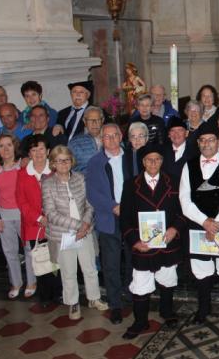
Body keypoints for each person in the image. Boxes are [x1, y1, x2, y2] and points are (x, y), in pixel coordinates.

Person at [180, 122, 219, 328]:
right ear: (198, 143)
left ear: (218, 142)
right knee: (201, 270)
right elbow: (184, 200)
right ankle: (203, 310)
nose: (207, 143)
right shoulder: (188, 166)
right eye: (203, 140)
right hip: (198, 226)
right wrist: (204, 222)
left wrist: (216, 223)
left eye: (211, 140)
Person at [120, 144, 185, 339]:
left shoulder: (174, 182)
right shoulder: (131, 185)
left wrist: (175, 228)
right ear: (143, 162)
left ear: (162, 161)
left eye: (157, 159)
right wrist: (134, 241)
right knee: (141, 283)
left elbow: (183, 211)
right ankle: (140, 321)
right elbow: (124, 218)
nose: (153, 163)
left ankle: (167, 311)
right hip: (143, 244)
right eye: (149, 160)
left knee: (167, 279)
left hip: (167, 242)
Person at [42, 145, 108, 320]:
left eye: (67, 160)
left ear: (72, 161)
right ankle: (72, 303)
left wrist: (85, 224)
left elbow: (90, 203)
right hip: (63, 235)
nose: (64, 164)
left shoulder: (80, 178)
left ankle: (94, 298)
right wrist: (78, 225)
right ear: (53, 163)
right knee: (68, 271)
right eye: (59, 161)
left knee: (90, 268)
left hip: (85, 231)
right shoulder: (47, 183)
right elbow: (50, 213)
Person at [86, 123, 131, 325]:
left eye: (114, 135)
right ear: (101, 139)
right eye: (106, 137)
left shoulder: (131, 156)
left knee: (133, 259)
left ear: (121, 136)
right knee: (111, 263)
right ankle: (115, 305)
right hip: (108, 216)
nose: (111, 140)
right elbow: (92, 192)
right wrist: (113, 206)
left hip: (132, 215)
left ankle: (133, 295)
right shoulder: (95, 162)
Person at [15, 135, 63, 306]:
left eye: (41, 149)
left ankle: (58, 293)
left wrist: (51, 216)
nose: (38, 153)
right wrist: (38, 217)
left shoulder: (56, 171)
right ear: (29, 153)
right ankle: (44, 295)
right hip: (33, 224)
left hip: (55, 223)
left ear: (48, 151)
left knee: (56, 260)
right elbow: (21, 201)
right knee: (40, 260)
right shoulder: (22, 174)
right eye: (34, 150)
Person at [0, 133, 34, 299]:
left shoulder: (24, 165)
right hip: (4, 215)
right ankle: (16, 282)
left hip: (23, 214)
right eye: (1, 146)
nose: (5, 149)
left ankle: (31, 282)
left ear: (15, 146)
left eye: (9, 145)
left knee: (29, 249)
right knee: (9, 251)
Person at [67, 106, 104, 173]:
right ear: (84, 121)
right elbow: (68, 167)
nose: (94, 123)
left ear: (102, 120)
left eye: (97, 120)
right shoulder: (75, 143)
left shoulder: (111, 138)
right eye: (90, 120)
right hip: (84, 181)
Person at [162, 116, 194, 181]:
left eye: (180, 130)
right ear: (168, 134)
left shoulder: (195, 152)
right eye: (172, 130)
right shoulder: (161, 152)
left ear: (187, 133)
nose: (176, 134)